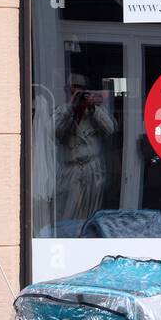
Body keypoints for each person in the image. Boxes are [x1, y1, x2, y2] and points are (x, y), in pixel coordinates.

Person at [53, 73, 116, 228]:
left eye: (81, 91)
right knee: (67, 214)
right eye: (74, 90)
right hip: (71, 170)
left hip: (92, 169)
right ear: (68, 91)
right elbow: (51, 132)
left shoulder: (95, 110)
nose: (78, 94)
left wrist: (93, 108)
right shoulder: (62, 110)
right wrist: (70, 107)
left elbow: (110, 129)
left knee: (91, 214)